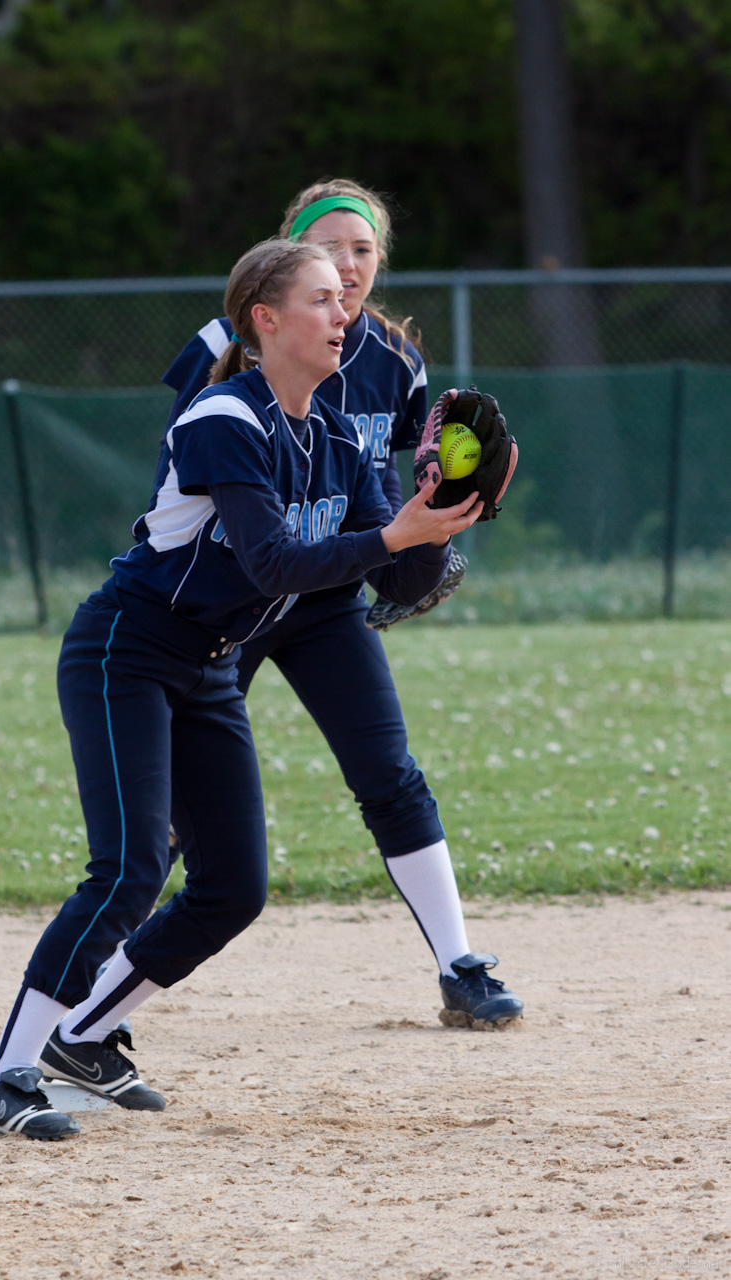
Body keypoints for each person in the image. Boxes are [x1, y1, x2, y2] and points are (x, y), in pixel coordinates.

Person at [0, 237, 484, 1141]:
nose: (343, 313)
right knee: (128, 869)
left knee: (233, 887)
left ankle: (82, 1039)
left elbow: (394, 581)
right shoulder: (221, 418)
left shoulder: (335, 438)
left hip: (207, 667)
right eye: (320, 299)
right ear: (263, 320)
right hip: (127, 650)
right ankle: (1, 1077)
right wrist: (393, 536)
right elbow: (271, 561)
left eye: (344, 298)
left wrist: (439, 511)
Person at [162, 179, 524, 1034]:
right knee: (174, 799)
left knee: (389, 773)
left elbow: (386, 502)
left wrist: (436, 520)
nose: (349, 266)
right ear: (288, 260)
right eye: (328, 249)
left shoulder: (395, 361)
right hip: (227, 600)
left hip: (324, 597)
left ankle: (459, 966)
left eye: (363, 250)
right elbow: (189, 469)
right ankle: (93, 978)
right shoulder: (228, 342)